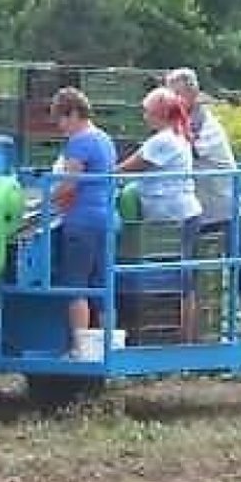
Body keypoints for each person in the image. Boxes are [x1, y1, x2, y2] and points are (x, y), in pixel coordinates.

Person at [165, 67, 241, 336]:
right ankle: (193, 328)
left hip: (225, 206)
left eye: (175, 95)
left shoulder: (205, 124)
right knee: (192, 268)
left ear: (191, 94)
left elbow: (185, 150)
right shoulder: (182, 123)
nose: (170, 102)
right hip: (202, 209)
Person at [116, 86, 203, 342]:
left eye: (146, 111)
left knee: (181, 278)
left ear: (159, 113)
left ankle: (184, 339)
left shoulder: (162, 141)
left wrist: (101, 174)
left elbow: (128, 167)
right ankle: (181, 337)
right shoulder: (176, 136)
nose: (144, 116)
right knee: (181, 276)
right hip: (179, 214)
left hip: (174, 216)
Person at [50, 87, 118, 359]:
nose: (60, 126)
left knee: (76, 285)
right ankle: (106, 347)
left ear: (75, 114)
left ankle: (79, 348)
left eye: (62, 119)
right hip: (106, 218)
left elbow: (68, 185)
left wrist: (40, 201)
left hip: (82, 221)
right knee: (103, 284)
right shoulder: (104, 139)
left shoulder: (79, 142)